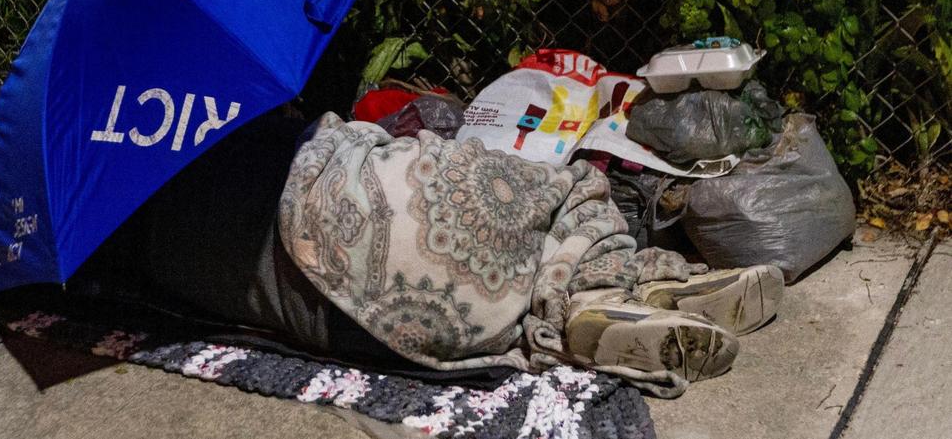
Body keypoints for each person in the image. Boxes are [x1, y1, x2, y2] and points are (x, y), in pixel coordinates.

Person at [110, 110, 782, 397]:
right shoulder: (222, 125)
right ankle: (612, 275)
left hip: (372, 319)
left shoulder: (130, 241)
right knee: (564, 193)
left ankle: (569, 318)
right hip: (375, 200)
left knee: (502, 304)